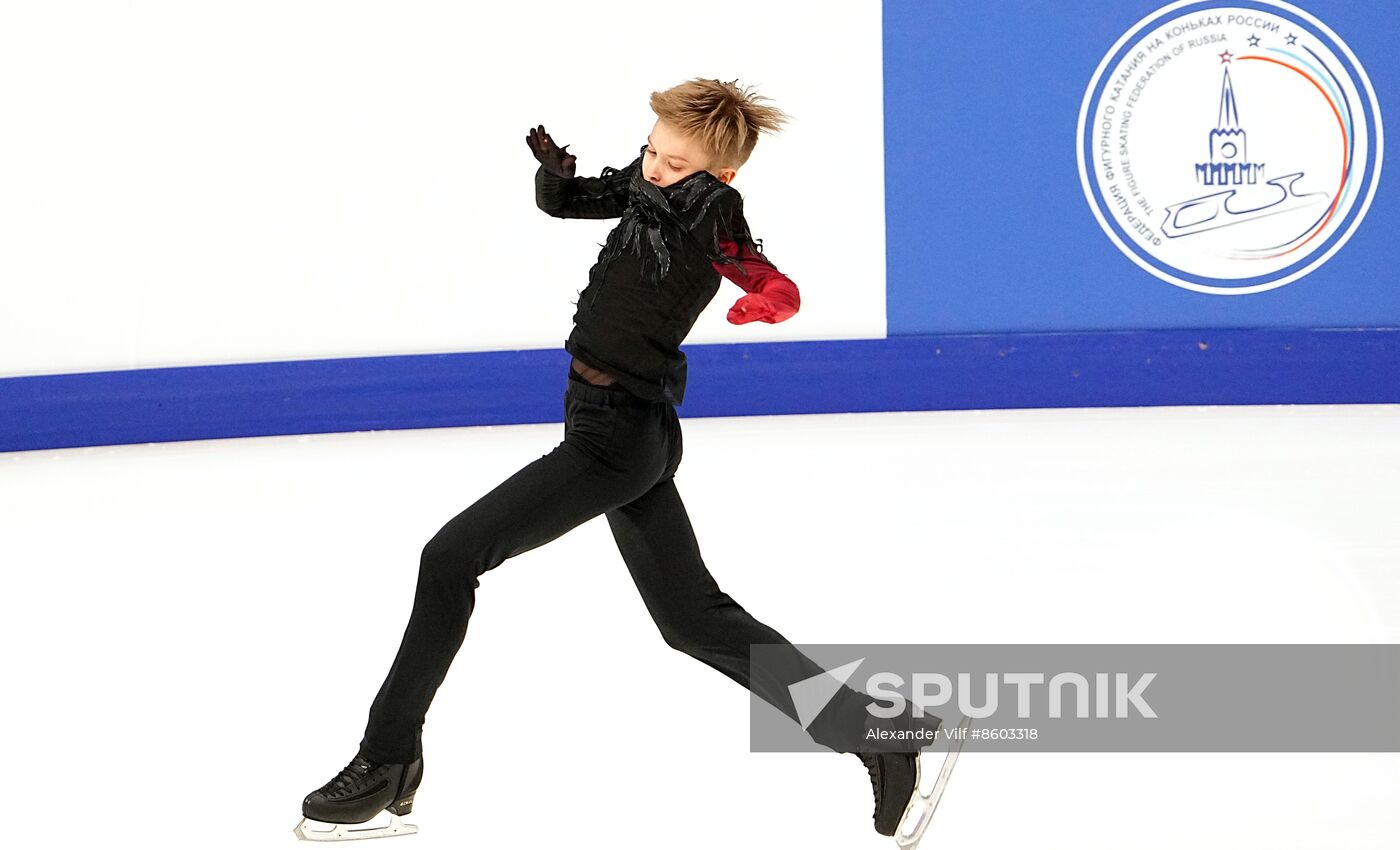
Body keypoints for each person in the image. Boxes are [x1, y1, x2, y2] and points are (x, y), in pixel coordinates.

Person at [295, 77, 944, 844]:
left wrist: (767, 295)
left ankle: (387, 758)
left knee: (449, 558)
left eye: (674, 162)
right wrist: (557, 176)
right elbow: (567, 206)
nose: (655, 169)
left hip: (614, 441)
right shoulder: (647, 182)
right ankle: (876, 731)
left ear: (720, 175)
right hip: (622, 426)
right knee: (693, 620)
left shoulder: (713, 210)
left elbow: (760, 272)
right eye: (652, 152)